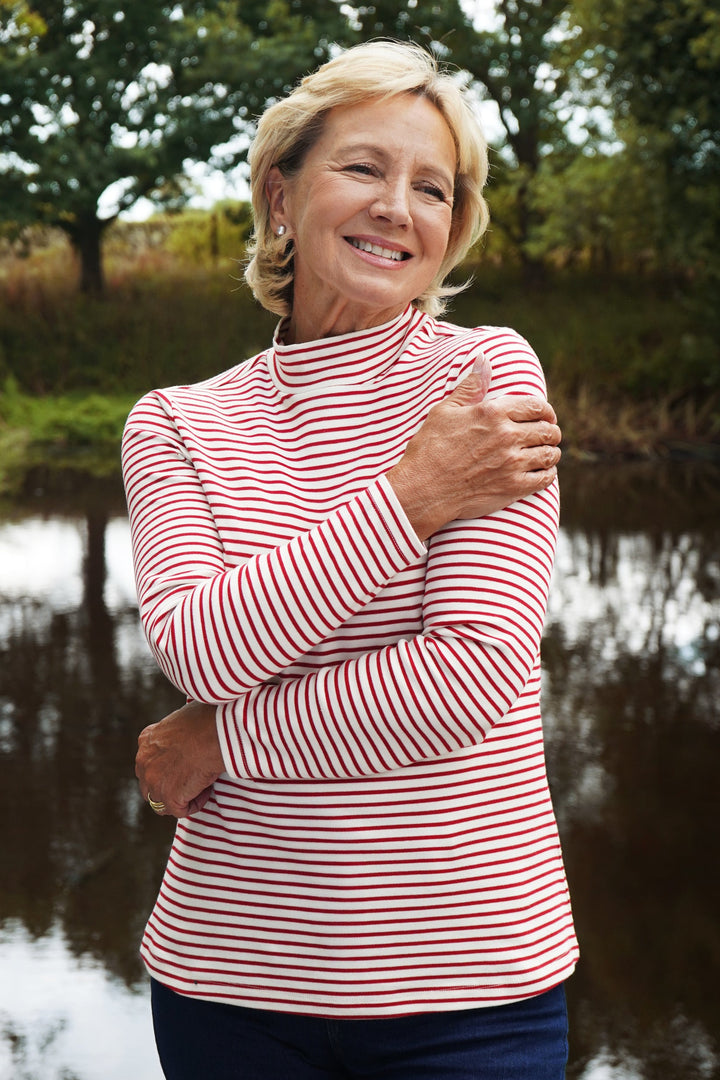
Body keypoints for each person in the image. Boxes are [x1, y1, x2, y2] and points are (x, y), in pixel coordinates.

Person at [122, 40, 577, 1080]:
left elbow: (467, 675)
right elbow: (198, 648)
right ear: (282, 194)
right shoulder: (179, 423)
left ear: (452, 227)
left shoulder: (483, 373)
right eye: (364, 168)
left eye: (433, 187)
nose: (397, 207)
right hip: (228, 986)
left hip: (470, 991)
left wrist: (222, 743)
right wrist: (412, 499)